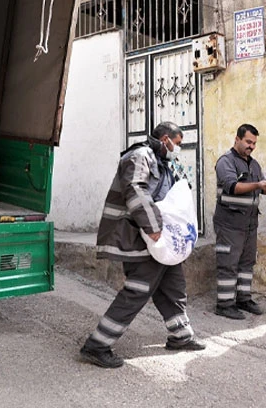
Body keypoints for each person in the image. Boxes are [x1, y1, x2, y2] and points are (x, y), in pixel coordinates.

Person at [80, 121, 206, 369]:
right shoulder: (139, 156)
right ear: (165, 139)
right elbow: (135, 190)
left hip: (159, 242)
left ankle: (180, 336)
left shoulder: (165, 163)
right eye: (177, 144)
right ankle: (97, 345)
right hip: (140, 236)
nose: (177, 149)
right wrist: (153, 227)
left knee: (173, 286)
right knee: (137, 290)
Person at [213, 124, 266, 320]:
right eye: (248, 141)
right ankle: (225, 304)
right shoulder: (225, 162)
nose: (251, 146)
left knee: (247, 263)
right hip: (229, 224)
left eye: (254, 143)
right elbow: (232, 187)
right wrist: (258, 184)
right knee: (228, 264)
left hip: (249, 224)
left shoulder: (254, 165)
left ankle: (243, 299)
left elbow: (263, 189)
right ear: (236, 139)